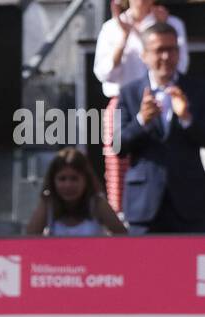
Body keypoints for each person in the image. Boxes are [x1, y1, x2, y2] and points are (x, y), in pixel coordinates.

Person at [94, 0, 188, 214]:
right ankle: (120, 219)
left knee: (164, 157)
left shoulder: (171, 22)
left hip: (164, 98)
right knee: (118, 166)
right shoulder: (112, 27)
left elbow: (181, 66)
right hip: (123, 102)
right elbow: (103, 73)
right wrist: (124, 36)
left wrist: (166, 28)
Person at [118, 21, 205, 235]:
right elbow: (118, 146)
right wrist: (142, 121)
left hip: (188, 204)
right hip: (144, 206)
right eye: (159, 50)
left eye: (172, 49)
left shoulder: (197, 89)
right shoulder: (130, 93)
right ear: (145, 55)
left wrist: (186, 118)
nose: (166, 57)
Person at [26, 147, 126, 237]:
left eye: (74, 179)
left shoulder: (97, 203)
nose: (68, 185)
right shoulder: (48, 203)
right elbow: (30, 238)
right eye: (62, 179)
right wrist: (44, 201)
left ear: (86, 180)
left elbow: (123, 236)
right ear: (53, 181)